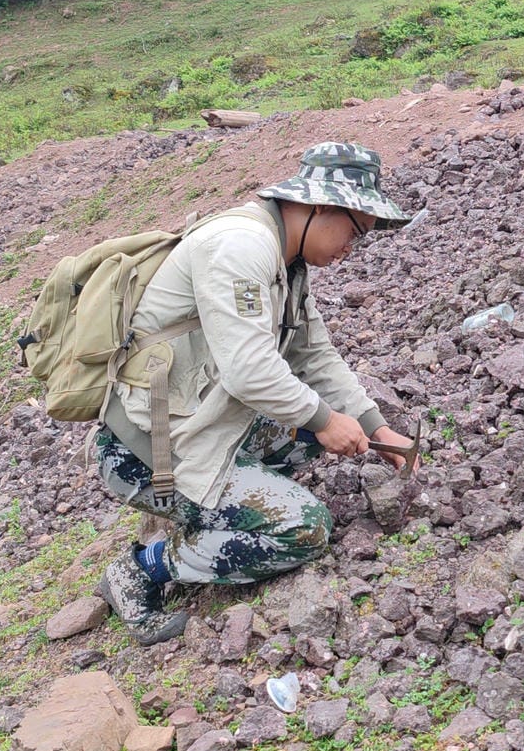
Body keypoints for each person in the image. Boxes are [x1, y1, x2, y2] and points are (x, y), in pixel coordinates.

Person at [95, 142, 414, 643]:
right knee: (304, 528)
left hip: (203, 422)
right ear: (319, 206)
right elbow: (249, 372)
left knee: (318, 428)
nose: (351, 248)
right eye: (355, 231)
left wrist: (377, 429)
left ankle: (219, 508)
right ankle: (142, 569)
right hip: (148, 450)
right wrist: (326, 420)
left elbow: (315, 356)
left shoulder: (287, 262)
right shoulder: (241, 247)